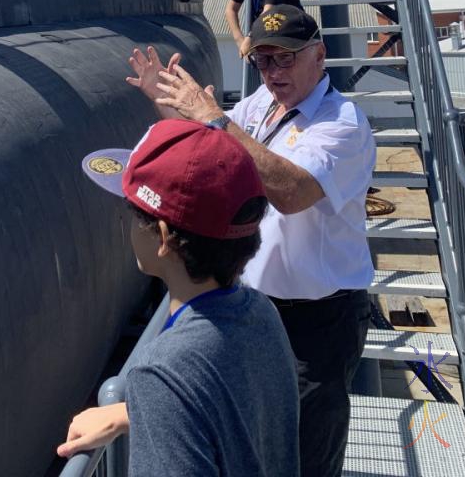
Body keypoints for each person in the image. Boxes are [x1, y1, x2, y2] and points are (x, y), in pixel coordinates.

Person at [129, 5, 375, 477]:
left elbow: (292, 192)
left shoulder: (343, 122)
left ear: (319, 56)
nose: (272, 73)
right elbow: (208, 148)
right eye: (262, 61)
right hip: (257, 308)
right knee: (259, 442)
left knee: (307, 453)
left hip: (318, 321)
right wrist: (164, 100)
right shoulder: (259, 105)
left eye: (284, 59)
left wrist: (217, 118)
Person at [57, 118, 300, 477]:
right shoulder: (262, 313)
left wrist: (155, 402)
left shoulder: (163, 372)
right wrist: (136, 412)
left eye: (131, 211)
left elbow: (183, 383)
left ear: (163, 237)